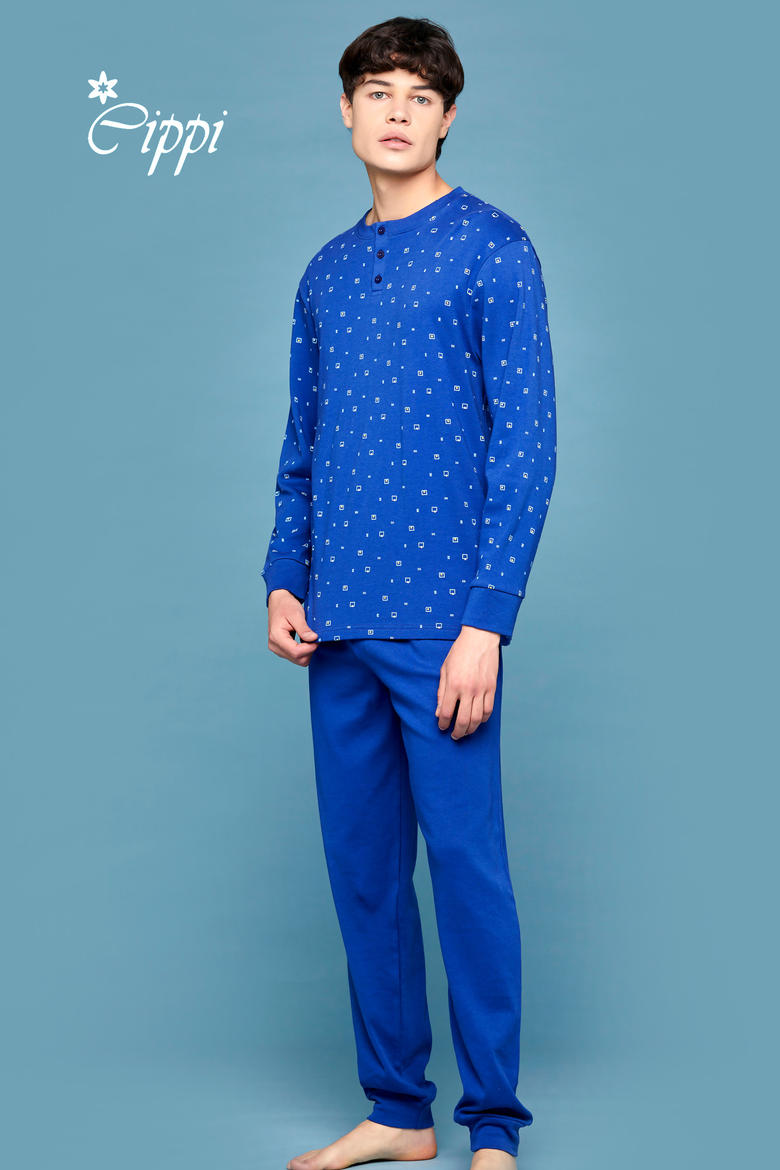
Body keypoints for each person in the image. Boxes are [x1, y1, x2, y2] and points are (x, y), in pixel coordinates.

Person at [261, 16, 557, 1170]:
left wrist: (488, 621)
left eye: (419, 95)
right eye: (377, 91)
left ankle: (494, 1127)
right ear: (346, 111)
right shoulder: (325, 272)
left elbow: (525, 447)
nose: (396, 111)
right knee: (366, 879)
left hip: (444, 630)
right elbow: (303, 443)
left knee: (469, 876)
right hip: (336, 626)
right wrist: (284, 577)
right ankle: (397, 1111)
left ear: (447, 117)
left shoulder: (495, 248)